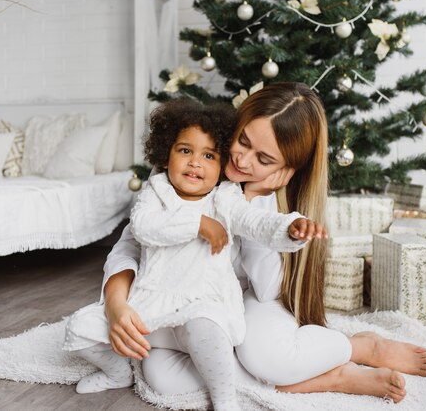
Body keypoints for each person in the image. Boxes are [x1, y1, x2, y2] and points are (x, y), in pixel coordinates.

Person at [100, 83, 426, 404]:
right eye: (243, 140)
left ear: (288, 169)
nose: (243, 161)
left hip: (246, 297)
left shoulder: (271, 199)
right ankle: (325, 378)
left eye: (263, 159)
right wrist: (116, 303)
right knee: (161, 376)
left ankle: (360, 349)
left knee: (264, 356)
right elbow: (135, 238)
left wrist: (249, 198)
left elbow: (266, 289)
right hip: (190, 300)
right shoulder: (192, 161)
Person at [63, 99, 324, 411]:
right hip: (152, 305)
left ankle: (226, 401)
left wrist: (288, 226)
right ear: (167, 154)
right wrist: (198, 223)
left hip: (203, 305)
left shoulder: (226, 196)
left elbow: (255, 224)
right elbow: (142, 229)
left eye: (209, 155)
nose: (195, 163)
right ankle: (118, 372)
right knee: (80, 328)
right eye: (185, 151)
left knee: (209, 329)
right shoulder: (158, 189)